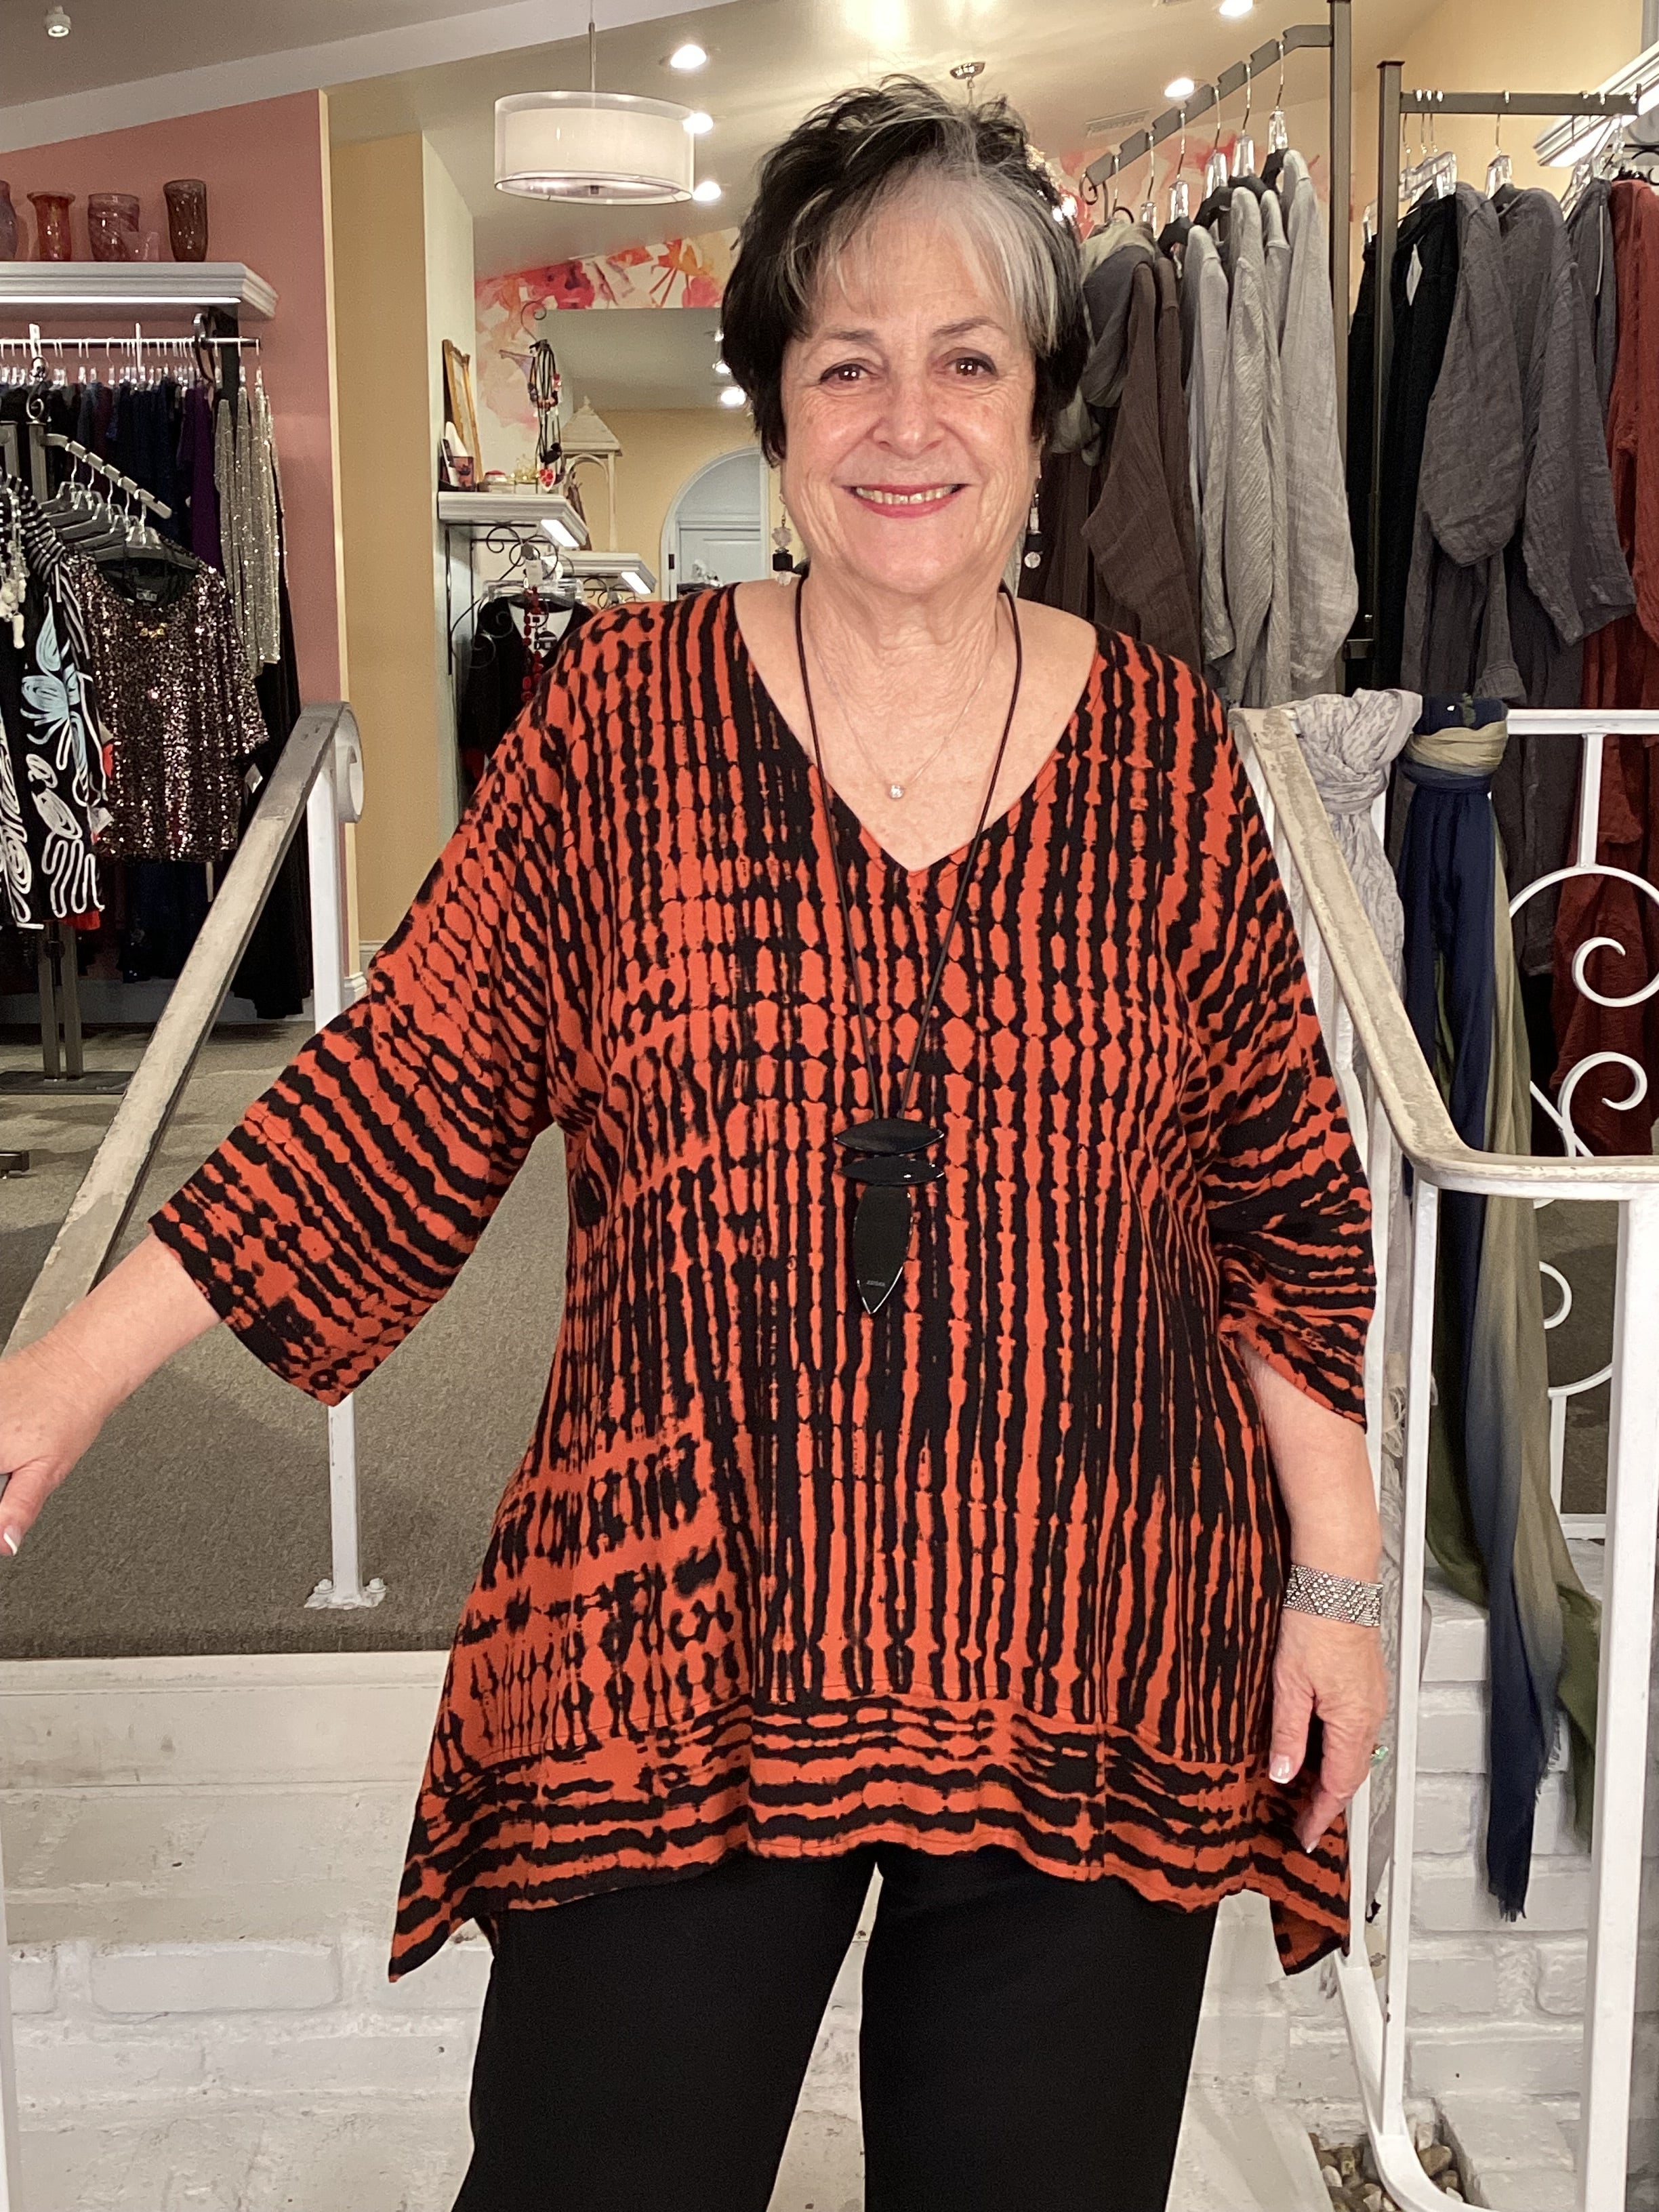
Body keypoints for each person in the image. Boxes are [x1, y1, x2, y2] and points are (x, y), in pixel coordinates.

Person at [0, 79, 1386, 2212]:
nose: (907, 422)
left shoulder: (1170, 760)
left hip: (1092, 1627)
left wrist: (1339, 1585)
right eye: (847, 363)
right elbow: (402, 1088)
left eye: (968, 362)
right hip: (675, 1629)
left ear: (1043, 411)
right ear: (774, 402)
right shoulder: (616, 729)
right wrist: (69, 1370)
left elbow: (1280, 1206)